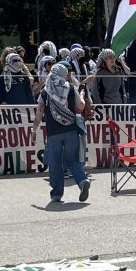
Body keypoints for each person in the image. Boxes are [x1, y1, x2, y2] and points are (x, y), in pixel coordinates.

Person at [32, 62, 91, 203]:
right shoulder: (70, 88)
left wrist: (33, 129)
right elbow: (81, 106)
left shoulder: (45, 91)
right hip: (70, 130)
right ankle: (82, 181)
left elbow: (40, 111)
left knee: (55, 163)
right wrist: (81, 94)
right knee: (72, 160)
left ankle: (56, 194)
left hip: (53, 133)